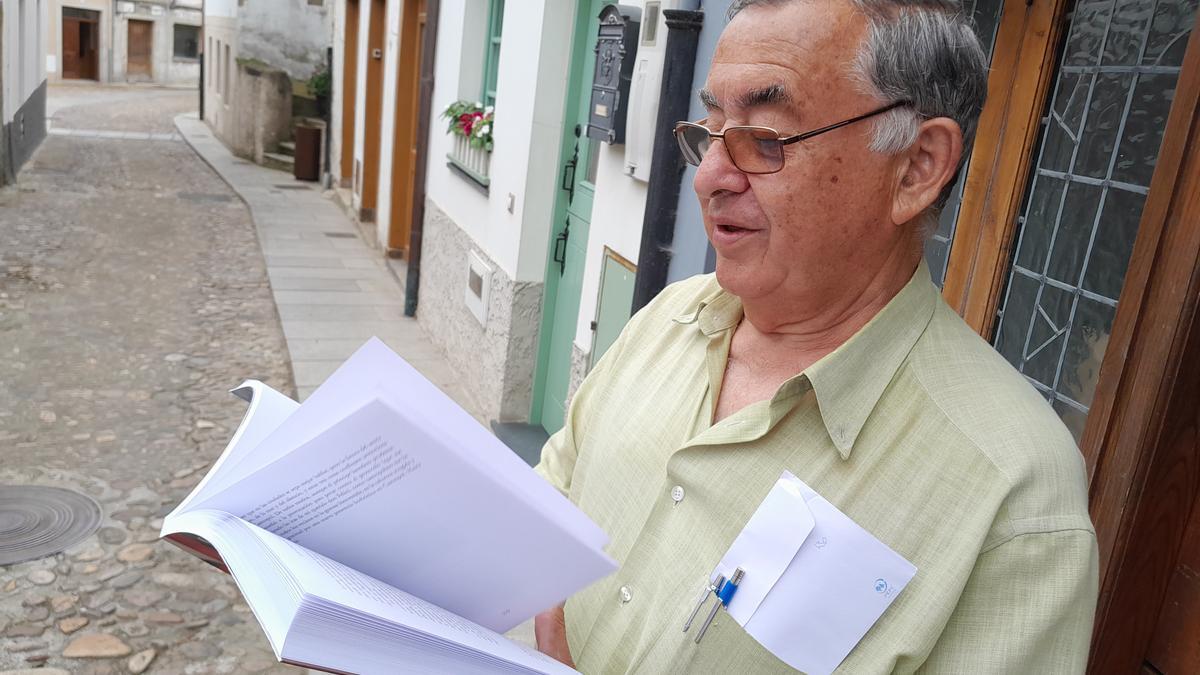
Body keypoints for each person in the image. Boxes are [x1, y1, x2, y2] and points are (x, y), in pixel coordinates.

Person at [533, 0, 1098, 672]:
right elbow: (547, 507)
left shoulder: (1014, 496)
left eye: (765, 136)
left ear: (918, 165)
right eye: (712, 129)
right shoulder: (668, 318)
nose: (710, 175)